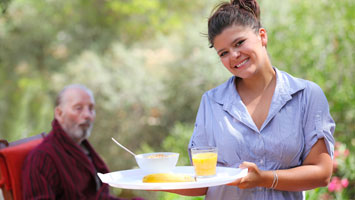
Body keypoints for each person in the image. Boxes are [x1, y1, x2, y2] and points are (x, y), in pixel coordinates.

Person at [168, 0, 335, 199]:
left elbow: (321, 173)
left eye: (239, 43)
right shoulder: (211, 103)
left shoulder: (307, 95)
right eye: (224, 53)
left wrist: (264, 178)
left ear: (262, 36)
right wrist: (153, 179)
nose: (234, 56)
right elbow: (203, 181)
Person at [22, 84, 140, 200]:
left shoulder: (83, 149)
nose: (87, 115)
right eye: (78, 108)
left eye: (91, 108)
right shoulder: (42, 158)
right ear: (59, 113)